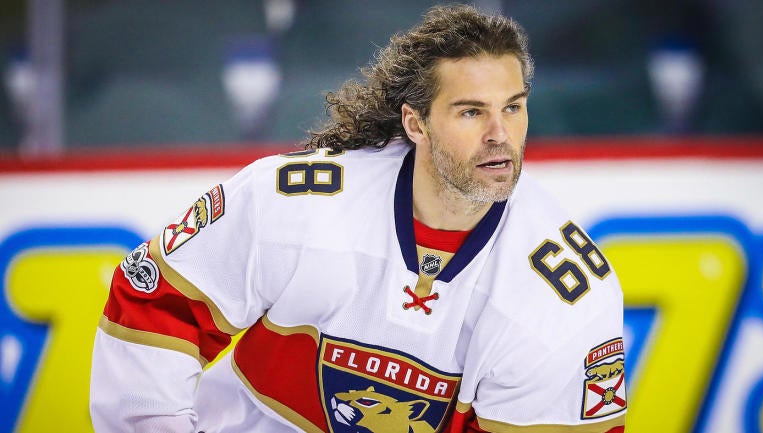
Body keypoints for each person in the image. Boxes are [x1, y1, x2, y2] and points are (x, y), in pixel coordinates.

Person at [90, 5, 626, 432]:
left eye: (513, 107)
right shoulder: (296, 204)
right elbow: (152, 308)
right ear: (416, 124)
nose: (500, 135)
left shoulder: (563, 296)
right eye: (471, 111)